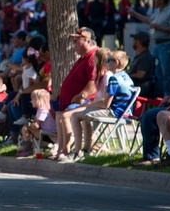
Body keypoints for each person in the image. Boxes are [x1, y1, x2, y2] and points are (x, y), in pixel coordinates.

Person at [69, 49, 135, 159]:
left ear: (116, 62)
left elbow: (105, 104)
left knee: (75, 115)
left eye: (108, 60)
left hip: (115, 113)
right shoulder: (127, 78)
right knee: (84, 115)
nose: (106, 62)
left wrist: (88, 105)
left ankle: (77, 152)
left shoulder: (114, 79)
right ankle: (86, 149)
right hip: (124, 112)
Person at [53, 27, 99, 160]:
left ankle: (67, 151)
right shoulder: (84, 57)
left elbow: (93, 82)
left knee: (65, 116)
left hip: (88, 101)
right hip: (73, 101)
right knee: (58, 115)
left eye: (76, 41)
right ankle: (61, 150)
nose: (74, 44)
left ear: (87, 41)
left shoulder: (93, 57)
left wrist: (82, 96)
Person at [128, 0, 170, 98]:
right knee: (159, 72)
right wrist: (134, 14)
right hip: (158, 45)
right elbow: (149, 20)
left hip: (167, 45)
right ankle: (161, 94)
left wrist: (157, 27)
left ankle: (169, 95)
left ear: (162, 0)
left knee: (167, 72)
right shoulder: (159, 12)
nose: (155, 1)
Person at [128, 30, 158, 100]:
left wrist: (127, 75)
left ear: (138, 42)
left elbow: (141, 74)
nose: (133, 42)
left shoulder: (146, 57)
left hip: (141, 86)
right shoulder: (140, 55)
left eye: (134, 40)